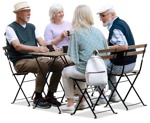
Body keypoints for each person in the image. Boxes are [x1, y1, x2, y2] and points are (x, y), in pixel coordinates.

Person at [5, 1, 64, 108]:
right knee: (43, 64)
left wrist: (51, 45)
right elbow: (17, 46)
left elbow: (42, 43)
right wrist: (37, 49)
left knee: (59, 64)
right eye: (26, 11)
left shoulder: (32, 27)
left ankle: (50, 95)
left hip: (35, 60)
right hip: (20, 62)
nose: (29, 13)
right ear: (18, 13)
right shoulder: (10, 28)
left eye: (29, 11)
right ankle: (37, 96)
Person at [60, 5, 108, 112]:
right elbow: (106, 50)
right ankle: (82, 101)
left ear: (76, 17)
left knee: (65, 71)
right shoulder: (98, 31)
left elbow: (72, 56)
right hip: (101, 70)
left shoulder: (76, 33)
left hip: (88, 71)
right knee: (80, 67)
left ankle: (70, 103)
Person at [96, 4, 137, 103]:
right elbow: (119, 41)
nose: (101, 19)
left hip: (123, 65)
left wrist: (106, 48)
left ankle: (101, 96)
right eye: (100, 16)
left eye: (103, 15)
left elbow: (124, 46)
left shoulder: (115, 28)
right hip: (131, 63)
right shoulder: (121, 23)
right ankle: (114, 94)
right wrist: (107, 41)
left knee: (98, 65)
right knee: (108, 64)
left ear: (112, 15)